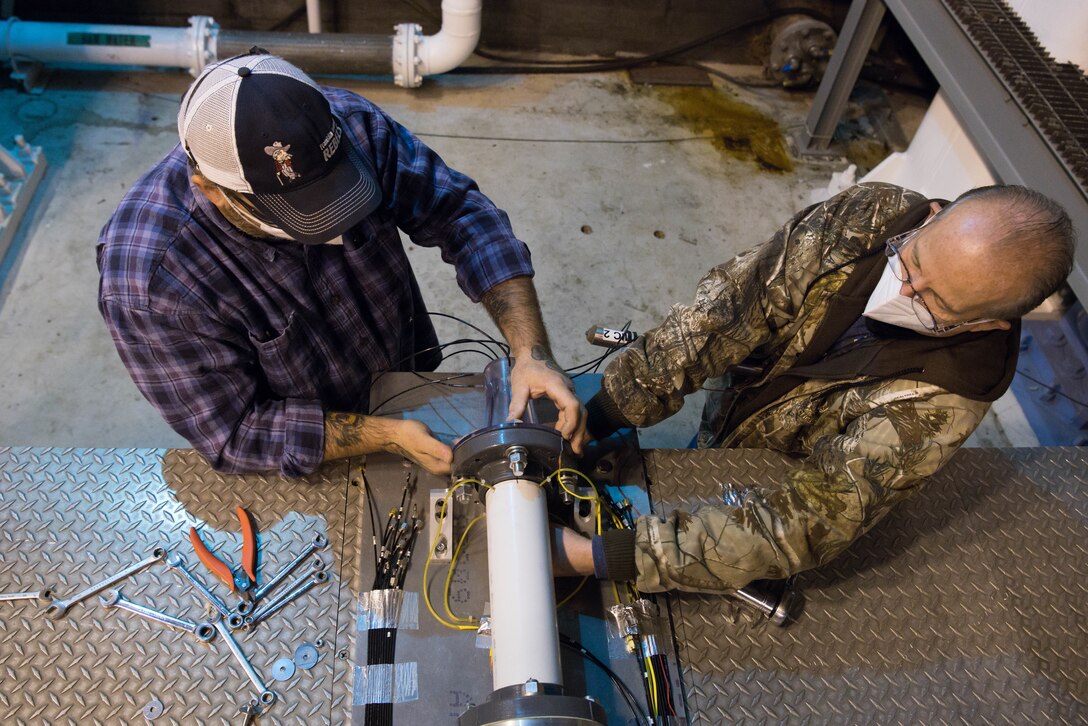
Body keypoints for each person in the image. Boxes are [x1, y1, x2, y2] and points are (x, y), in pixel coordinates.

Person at [553, 182, 1074, 593]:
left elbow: (807, 520)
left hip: (773, 465)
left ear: (987, 326)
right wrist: (602, 414)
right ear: (935, 215)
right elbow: (728, 313)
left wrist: (600, 557)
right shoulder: (872, 218)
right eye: (913, 262)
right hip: (735, 404)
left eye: (937, 303)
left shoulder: (944, 399)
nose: (905, 288)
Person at [97, 52, 584, 477]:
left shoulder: (350, 125)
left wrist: (530, 353)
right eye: (303, 214)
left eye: (338, 190)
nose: (334, 229)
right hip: (318, 449)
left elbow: (460, 215)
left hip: (402, 368)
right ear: (211, 190)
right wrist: (385, 436)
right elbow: (237, 431)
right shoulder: (150, 283)